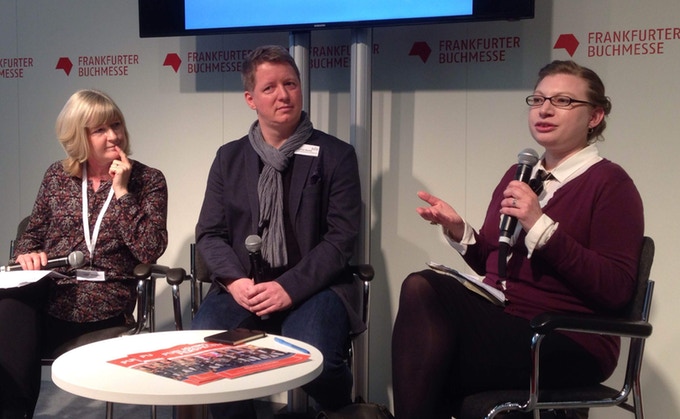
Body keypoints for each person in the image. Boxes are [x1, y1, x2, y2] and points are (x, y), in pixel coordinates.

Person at [391, 60, 644, 419]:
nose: (544, 109)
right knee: (423, 290)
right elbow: (497, 265)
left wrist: (540, 227)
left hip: (569, 337)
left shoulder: (611, 184)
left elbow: (617, 289)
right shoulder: (521, 174)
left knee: (429, 335)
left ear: (595, 116)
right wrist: (459, 230)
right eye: (538, 99)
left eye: (563, 101)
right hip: (507, 319)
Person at [191, 45, 362, 418]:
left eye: (291, 84)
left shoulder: (336, 155)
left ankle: (342, 410)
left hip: (315, 287)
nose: (283, 95)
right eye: (270, 88)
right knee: (213, 353)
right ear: (251, 99)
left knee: (316, 360)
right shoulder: (229, 158)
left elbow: (340, 239)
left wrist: (289, 288)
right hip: (245, 288)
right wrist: (235, 281)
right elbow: (209, 234)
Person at [0, 89, 168, 418]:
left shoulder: (147, 180)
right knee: (9, 308)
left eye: (116, 125)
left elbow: (150, 248)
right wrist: (26, 255)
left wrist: (122, 193)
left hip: (106, 301)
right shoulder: (56, 177)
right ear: (80, 137)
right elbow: (31, 234)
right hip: (51, 293)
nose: (114, 136)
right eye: (100, 130)